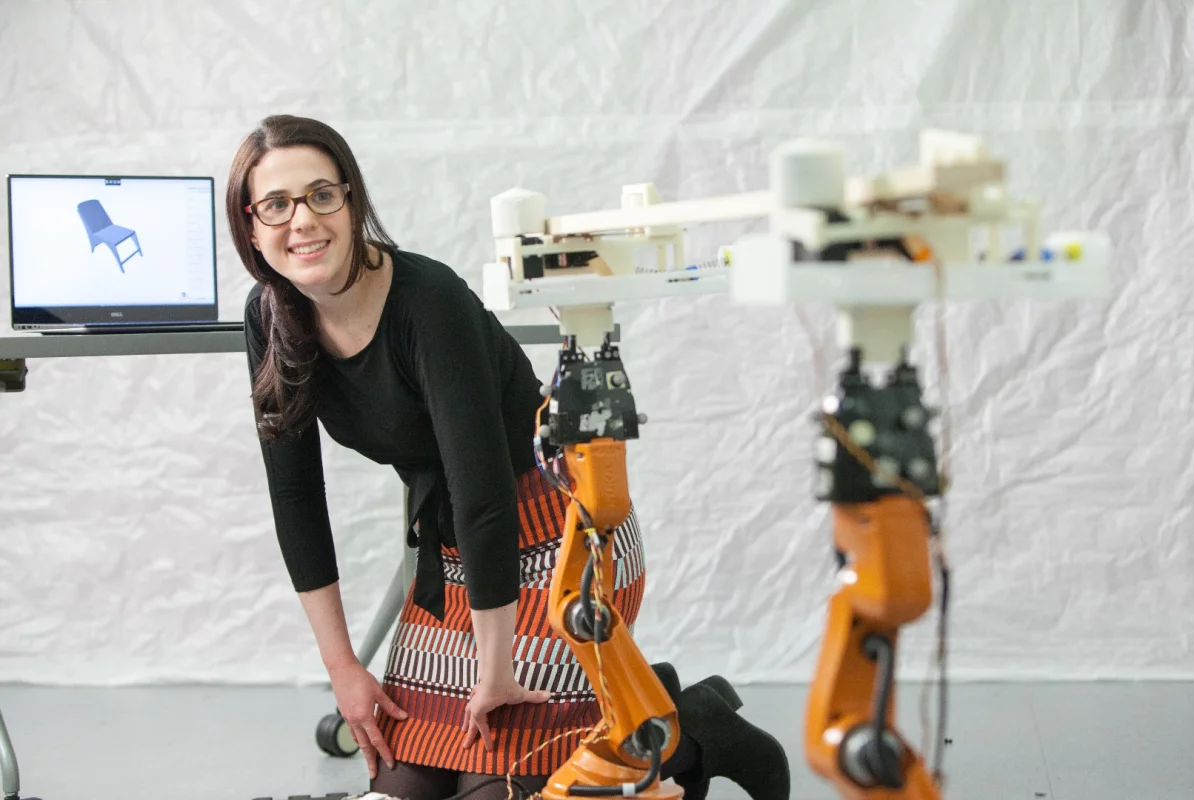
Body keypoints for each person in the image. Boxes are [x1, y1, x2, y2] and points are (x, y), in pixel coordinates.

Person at [227, 114, 790, 800]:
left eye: (322, 195)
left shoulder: (425, 300)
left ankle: (690, 732)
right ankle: (644, 703)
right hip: (461, 559)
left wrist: (496, 669)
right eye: (276, 205)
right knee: (405, 789)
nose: (302, 221)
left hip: (564, 546)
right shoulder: (269, 317)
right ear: (250, 226)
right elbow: (295, 499)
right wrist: (342, 666)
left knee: (496, 793)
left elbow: (484, 489)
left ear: (352, 202)